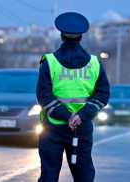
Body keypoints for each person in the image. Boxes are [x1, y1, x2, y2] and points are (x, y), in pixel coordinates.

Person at [36, 12, 110, 182]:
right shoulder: (94, 63)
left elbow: (43, 95)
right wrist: (80, 116)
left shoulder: (49, 61)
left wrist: (65, 116)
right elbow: (102, 95)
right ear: (81, 37)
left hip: (52, 129)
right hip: (81, 129)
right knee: (83, 175)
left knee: (49, 175)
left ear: (61, 36)